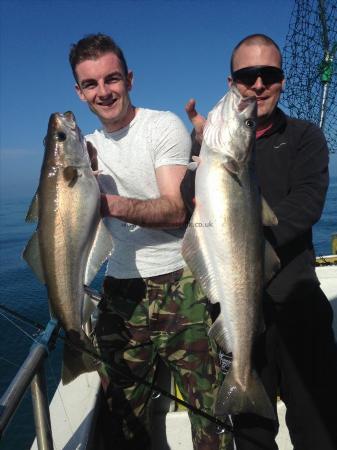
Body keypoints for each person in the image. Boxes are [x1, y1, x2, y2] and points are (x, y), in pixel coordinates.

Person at [69, 33, 227, 450]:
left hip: (182, 282)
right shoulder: (84, 150)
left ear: (130, 79)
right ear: (79, 92)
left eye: (112, 78)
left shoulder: (161, 126)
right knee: (122, 414)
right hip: (120, 290)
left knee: (209, 411)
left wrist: (109, 205)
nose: (104, 92)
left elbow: (176, 210)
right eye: (91, 84)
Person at [181, 34, 337, 450]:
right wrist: (200, 152)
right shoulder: (210, 152)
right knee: (250, 436)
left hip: (298, 303)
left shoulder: (305, 138)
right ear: (232, 81)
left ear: (282, 81)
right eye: (248, 76)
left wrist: (244, 239)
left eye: (269, 75)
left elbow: (306, 207)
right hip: (234, 310)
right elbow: (187, 204)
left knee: (319, 426)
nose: (258, 85)